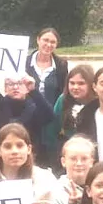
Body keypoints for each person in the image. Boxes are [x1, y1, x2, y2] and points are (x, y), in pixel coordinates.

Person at [0, 59, 55, 147]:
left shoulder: (34, 107)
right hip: (1, 155)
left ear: (27, 86)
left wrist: (33, 91)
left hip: (28, 156)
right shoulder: (0, 105)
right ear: (5, 88)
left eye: (20, 83)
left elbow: (49, 116)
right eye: (10, 84)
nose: (15, 87)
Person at [27, 28, 68, 167]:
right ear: (38, 40)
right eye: (45, 40)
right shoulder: (24, 62)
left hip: (51, 117)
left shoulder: (61, 65)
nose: (48, 44)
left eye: (53, 42)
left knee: (48, 157)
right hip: (28, 116)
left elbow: (64, 92)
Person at [51, 64, 97, 147]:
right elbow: (54, 127)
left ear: (91, 85)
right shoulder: (62, 100)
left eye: (81, 83)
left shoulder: (98, 102)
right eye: (72, 83)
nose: (75, 87)